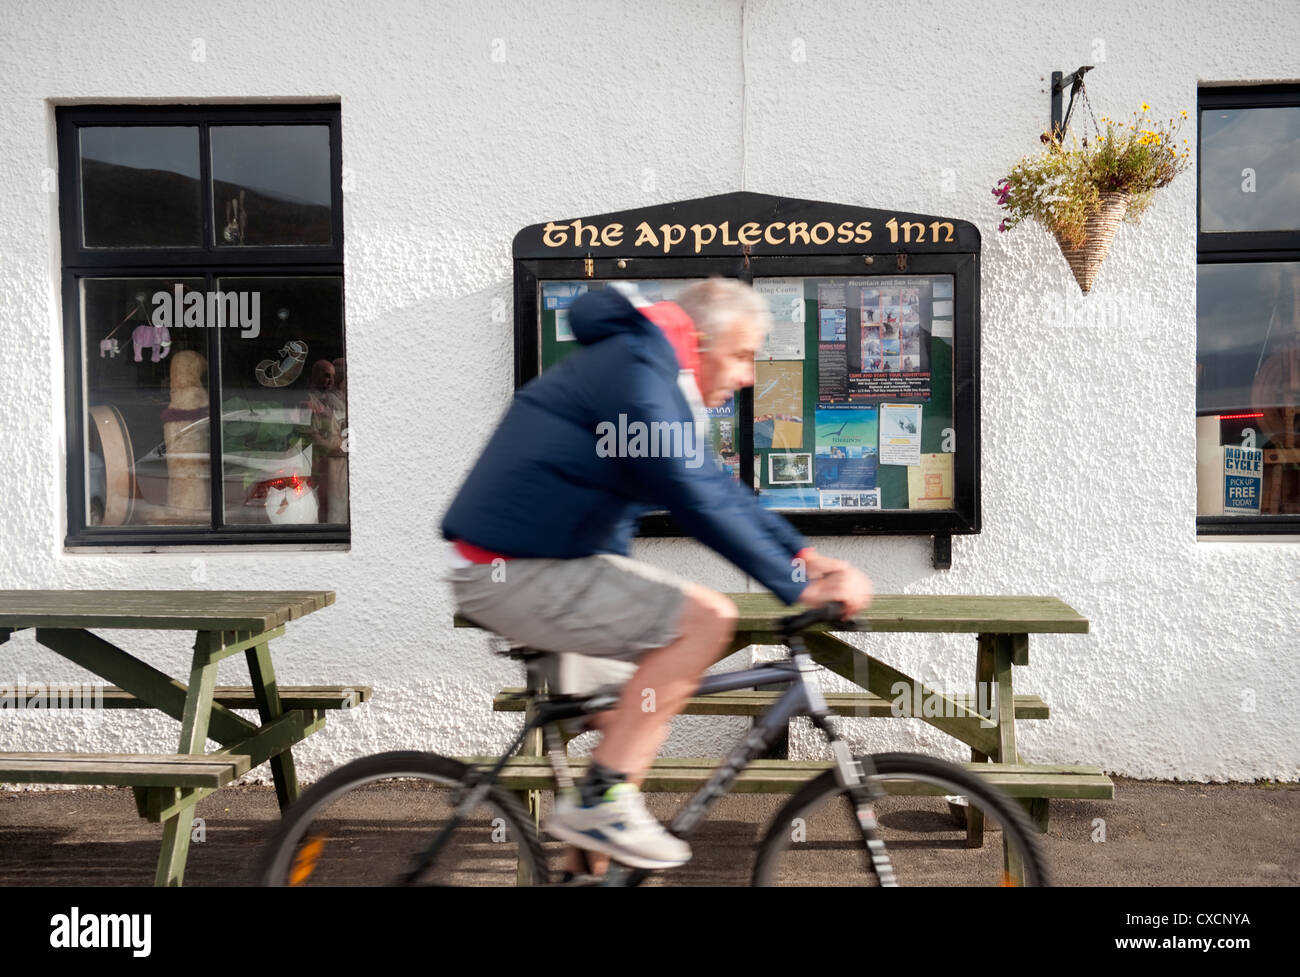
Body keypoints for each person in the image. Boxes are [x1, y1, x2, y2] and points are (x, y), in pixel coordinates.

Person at [440, 278, 872, 876]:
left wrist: (806, 557)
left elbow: (716, 487)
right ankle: (600, 805)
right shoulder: (637, 368)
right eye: (743, 355)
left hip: (543, 565)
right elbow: (693, 497)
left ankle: (585, 860)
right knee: (706, 619)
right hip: (511, 570)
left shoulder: (650, 369)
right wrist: (797, 587)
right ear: (699, 340)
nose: (749, 376)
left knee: (629, 728)